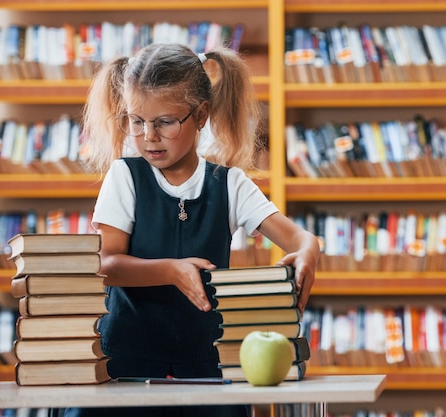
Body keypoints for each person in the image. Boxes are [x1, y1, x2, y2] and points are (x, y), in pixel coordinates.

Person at [61, 43, 320, 417]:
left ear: (200, 116)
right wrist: (170, 269)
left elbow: (299, 238)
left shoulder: (230, 184)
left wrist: (309, 248)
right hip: (126, 366)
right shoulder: (125, 176)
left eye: (165, 122)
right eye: (136, 121)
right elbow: (106, 263)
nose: (148, 136)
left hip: (207, 368)